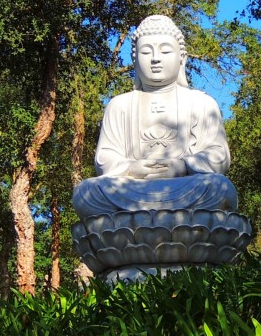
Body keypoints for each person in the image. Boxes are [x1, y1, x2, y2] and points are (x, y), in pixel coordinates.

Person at [71, 15, 238, 215]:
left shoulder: (201, 103)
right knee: (86, 192)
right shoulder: (119, 105)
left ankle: (136, 223)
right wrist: (131, 168)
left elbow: (219, 155)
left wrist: (183, 166)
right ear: (135, 59)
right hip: (132, 188)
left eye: (165, 50)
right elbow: (105, 158)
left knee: (219, 188)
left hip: (185, 185)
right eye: (146, 51)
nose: (155, 58)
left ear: (181, 57)